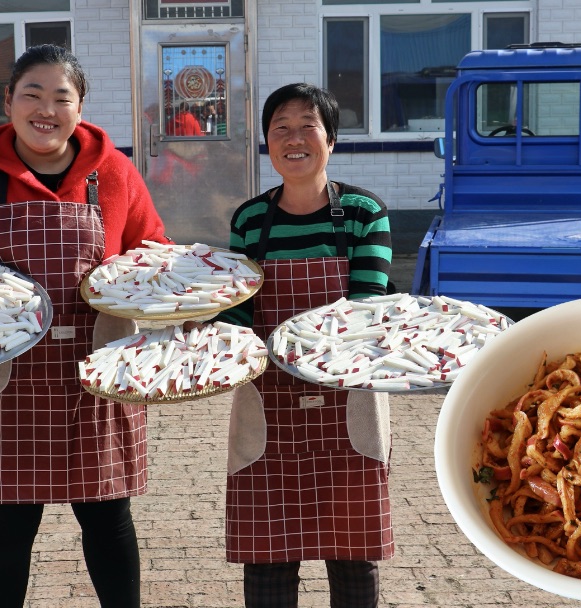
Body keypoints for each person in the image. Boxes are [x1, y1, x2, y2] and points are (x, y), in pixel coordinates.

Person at [0, 44, 168, 608]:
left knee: (106, 512)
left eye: (62, 97)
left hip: (99, 364)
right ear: (8, 101)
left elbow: (153, 252)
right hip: (8, 373)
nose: (47, 109)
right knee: (8, 519)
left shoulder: (114, 173)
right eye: (32, 94)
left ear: (80, 107)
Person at [210, 83, 395, 607]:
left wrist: (308, 352)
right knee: (267, 555)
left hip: (348, 398)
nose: (294, 138)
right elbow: (239, 315)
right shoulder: (250, 221)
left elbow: (364, 308)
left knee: (352, 552)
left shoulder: (363, 213)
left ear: (330, 139)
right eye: (280, 128)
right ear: (267, 143)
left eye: (307, 125)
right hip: (267, 402)